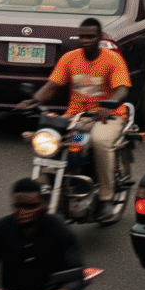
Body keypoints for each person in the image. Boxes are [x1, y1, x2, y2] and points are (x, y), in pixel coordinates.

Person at [16, 19, 131, 224]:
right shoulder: (70, 58)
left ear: (100, 38)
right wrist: (32, 101)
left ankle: (106, 198)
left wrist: (109, 105)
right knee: (57, 142)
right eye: (82, 36)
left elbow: (122, 88)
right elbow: (51, 86)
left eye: (90, 36)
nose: (85, 40)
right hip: (76, 118)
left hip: (108, 117)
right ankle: (61, 186)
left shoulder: (112, 59)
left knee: (99, 141)